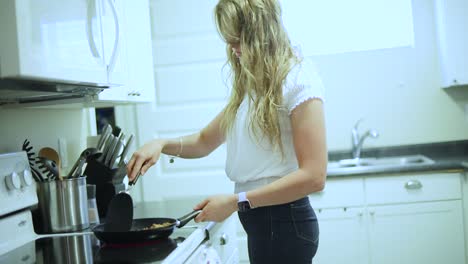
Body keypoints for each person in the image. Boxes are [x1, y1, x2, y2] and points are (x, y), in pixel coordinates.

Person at [127, 0, 327, 263]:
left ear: (260, 33)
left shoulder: (298, 80)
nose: (233, 49)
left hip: (285, 222)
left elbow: (314, 176)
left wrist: (236, 202)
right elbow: (202, 141)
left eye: (237, 39)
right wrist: (161, 144)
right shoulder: (254, 89)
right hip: (265, 223)